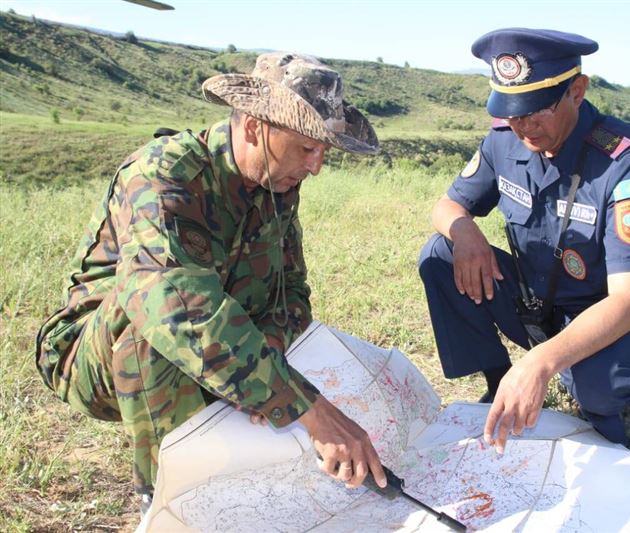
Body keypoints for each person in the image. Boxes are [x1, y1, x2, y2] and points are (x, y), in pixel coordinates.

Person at [35, 52, 388, 505]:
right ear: (255, 127)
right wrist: (305, 406)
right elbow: (177, 307)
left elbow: (292, 292)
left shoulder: (277, 185)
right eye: (307, 148)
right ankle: (174, 502)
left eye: (325, 151)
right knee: (153, 314)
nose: (316, 166)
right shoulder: (166, 173)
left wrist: (272, 349)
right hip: (97, 355)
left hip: (204, 356)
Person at [418, 29, 630, 452]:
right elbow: (446, 207)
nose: (525, 126)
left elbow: (628, 301)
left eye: (537, 111)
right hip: (538, 308)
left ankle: (599, 408)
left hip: (616, 321)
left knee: (598, 385)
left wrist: (539, 363)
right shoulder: (504, 142)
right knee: (440, 254)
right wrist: (464, 229)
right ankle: (497, 378)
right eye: (513, 112)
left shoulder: (624, 158)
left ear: (577, 91)